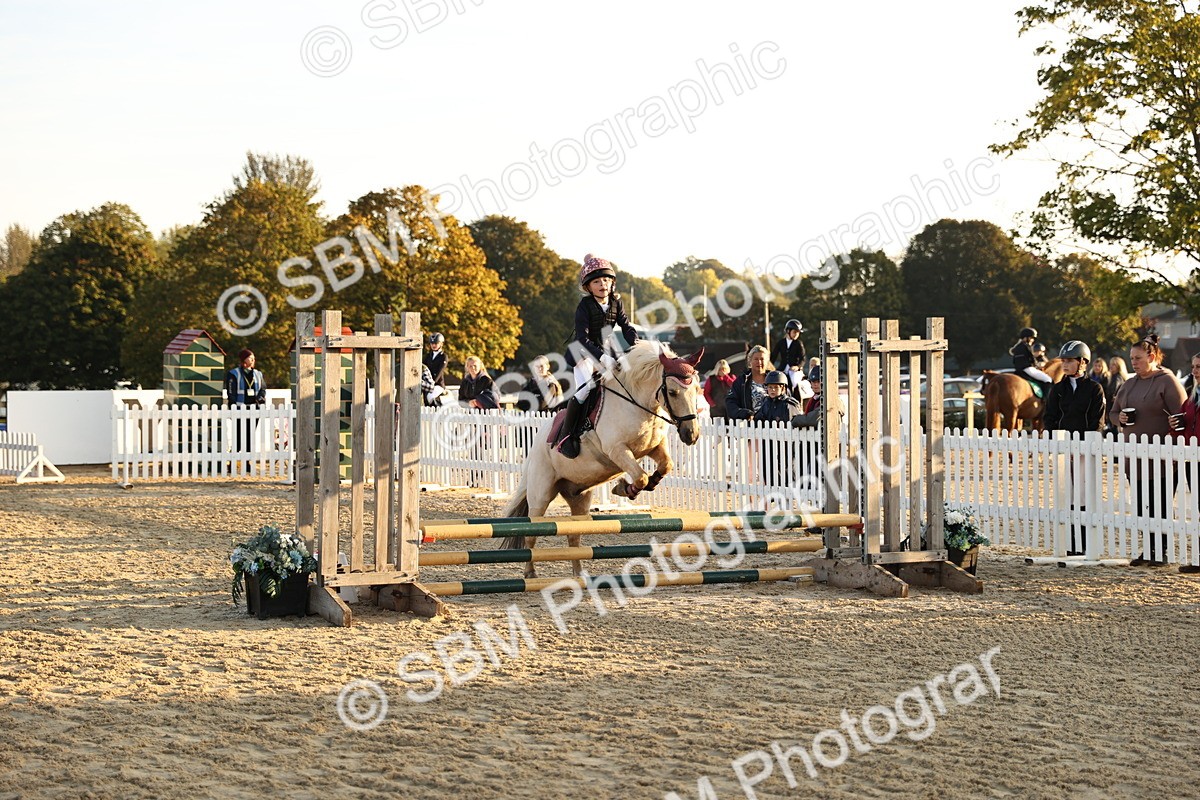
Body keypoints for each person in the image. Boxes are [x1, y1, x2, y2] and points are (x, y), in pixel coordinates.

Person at [1109, 335, 1187, 565]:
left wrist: (1175, 427)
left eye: (1138, 358)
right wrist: (1120, 419)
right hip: (1135, 458)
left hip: (1162, 458)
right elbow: (1113, 413)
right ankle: (1149, 550)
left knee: (1160, 505)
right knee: (1143, 506)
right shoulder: (1128, 384)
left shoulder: (1167, 381)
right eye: (1131, 358)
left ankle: (1162, 551)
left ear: (1151, 357)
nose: (1133, 362)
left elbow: (1182, 414)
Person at [559, 254, 638, 458]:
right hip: (582, 352)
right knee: (585, 390)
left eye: (606, 280)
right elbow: (582, 339)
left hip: (607, 349)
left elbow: (626, 327)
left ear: (612, 283)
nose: (602, 284)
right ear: (588, 287)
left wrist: (636, 344)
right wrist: (602, 358)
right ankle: (567, 435)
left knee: (625, 380)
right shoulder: (584, 306)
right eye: (596, 282)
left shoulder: (616, 303)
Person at [1044, 341, 1107, 556]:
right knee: (1066, 496)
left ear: (1082, 362)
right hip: (1063, 451)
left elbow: (1097, 422)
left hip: (1084, 451)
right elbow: (1050, 418)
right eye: (1063, 361)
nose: (1065, 365)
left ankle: (1083, 543)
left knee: (1082, 497)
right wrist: (1057, 444)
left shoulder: (1094, 389)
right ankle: (1070, 543)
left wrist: (1083, 447)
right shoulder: (1057, 389)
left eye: (1069, 361)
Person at [757, 370, 802, 489]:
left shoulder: (789, 404)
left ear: (783, 388)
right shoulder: (766, 402)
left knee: (785, 473)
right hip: (768, 444)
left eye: (776, 387)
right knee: (768, 472)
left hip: (785, 447)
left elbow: (794, 424)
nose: (772, 390)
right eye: (770, 387)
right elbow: (759, 418)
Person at [225, 348, 266, 464]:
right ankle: (233, 461)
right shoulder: (234, 374)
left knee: (250, 436)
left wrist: (260, 399)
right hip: (239, 409)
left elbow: (263, 389)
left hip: (254, 409)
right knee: (238, 435)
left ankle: (248, 462)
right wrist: (233, 406)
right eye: (250, 358)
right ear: (244, 360)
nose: (253, 360)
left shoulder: (258, 374)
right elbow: (231, 392)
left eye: (254, 358)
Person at [725, 346, 772, 421]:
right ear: (750, 361)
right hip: (749, 425)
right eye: (756, 359)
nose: (759, 362)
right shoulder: (742, 381)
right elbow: (731, 403)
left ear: (767, 361)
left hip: (773, 425)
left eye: (762, 359)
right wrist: (744, 413)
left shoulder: (775, 379)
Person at [1010, 327, 1053, 396]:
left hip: (1018, 370)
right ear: (1026, 338)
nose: (1033, 340)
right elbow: (1032, 360)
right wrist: (1038, 365)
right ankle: (1046, 399)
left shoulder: (1016, 348)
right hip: (1028, 369)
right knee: (1048, 379)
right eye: (1031, 338)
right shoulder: (1027, 347)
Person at [771, 319, 806, 394]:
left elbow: (803, 358)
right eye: (795, 332)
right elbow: (773, 356)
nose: (796, 334)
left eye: (798, 333)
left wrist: (797, 366)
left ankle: (797, 398)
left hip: (794, 370)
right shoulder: (781, 343)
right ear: (788, 331)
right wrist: (770, 367)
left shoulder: (798, 343)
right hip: (782, 368)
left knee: (795, 383)